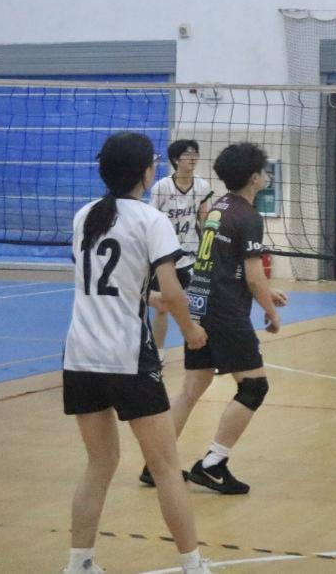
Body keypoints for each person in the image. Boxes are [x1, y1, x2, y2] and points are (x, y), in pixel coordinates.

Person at [61, 132, 212, 574]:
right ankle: (193, 566)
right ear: (147, 172)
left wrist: (148, 298)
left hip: (79, 355)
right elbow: (174, 291)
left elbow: (103, 282)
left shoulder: (84, 216)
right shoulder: (151, 219)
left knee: (99, 463)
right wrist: (190, 329)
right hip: (126, 355)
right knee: (165, 467)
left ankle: (79, 564)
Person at [151, 142, 287, 495]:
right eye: (263, 170)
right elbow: (253, 275)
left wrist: (265, 291)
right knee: (254, 387)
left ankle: (155, 465)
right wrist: (270, 312)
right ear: (254, 178)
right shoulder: (248, 215)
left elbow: (227, 263)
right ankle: (213, 464)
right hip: (225, 311)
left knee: (192, 388)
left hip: (200, 304)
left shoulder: (218, 207)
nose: (266, 175)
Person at [150, 139, 214, 355]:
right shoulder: (162, 187)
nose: (193, 158)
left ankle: (201, 352)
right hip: (165, 257)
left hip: (191, 255)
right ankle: (158, 353)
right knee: (162, 307)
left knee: (198, 306)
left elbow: (205, 220)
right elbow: (151, 219)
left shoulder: (202, 186)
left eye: (195, 154)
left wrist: (208, 251)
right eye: (188, 154)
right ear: (176, 159)